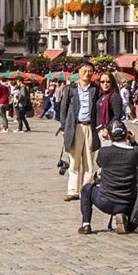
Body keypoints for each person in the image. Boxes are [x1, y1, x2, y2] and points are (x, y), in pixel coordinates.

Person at [79, 122, 138, 234]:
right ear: (127, 135)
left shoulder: (104, 152)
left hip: (106, 202)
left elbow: (100, 163)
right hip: (128, 203)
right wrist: (133, 142)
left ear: (110, 136)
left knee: (86, 189)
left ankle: (86, 224)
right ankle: (127, 220)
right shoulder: (134, 152)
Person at [61, 67, 100, 200]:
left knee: (89, 161)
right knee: (74, 160)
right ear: (79, 72)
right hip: (75, 126)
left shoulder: (95, 89)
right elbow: (63, 107)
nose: (87, 73)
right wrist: (63, 127)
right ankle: (73, 191)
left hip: (90, 127)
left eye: (90, 71)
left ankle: (86, 191)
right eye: (85, 70)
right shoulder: (71, 89)